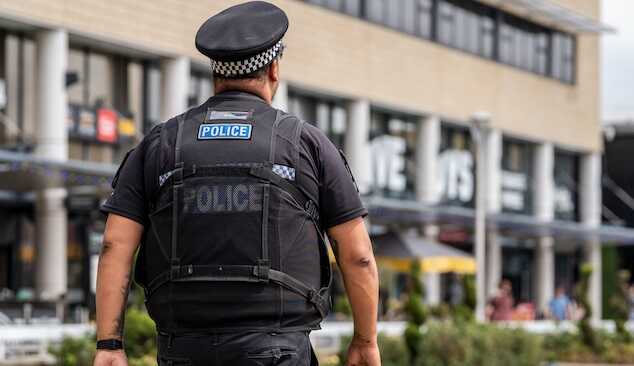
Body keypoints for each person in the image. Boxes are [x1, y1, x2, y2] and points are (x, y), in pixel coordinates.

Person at [93, 2, 380, 365]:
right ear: (274, 69)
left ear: (216, 73)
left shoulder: (159, 143)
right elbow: (358, 257)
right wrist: (365, 341)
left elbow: (114, 244)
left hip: (182, 351)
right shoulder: (307, 143)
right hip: (278, 352)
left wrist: (109, 345)